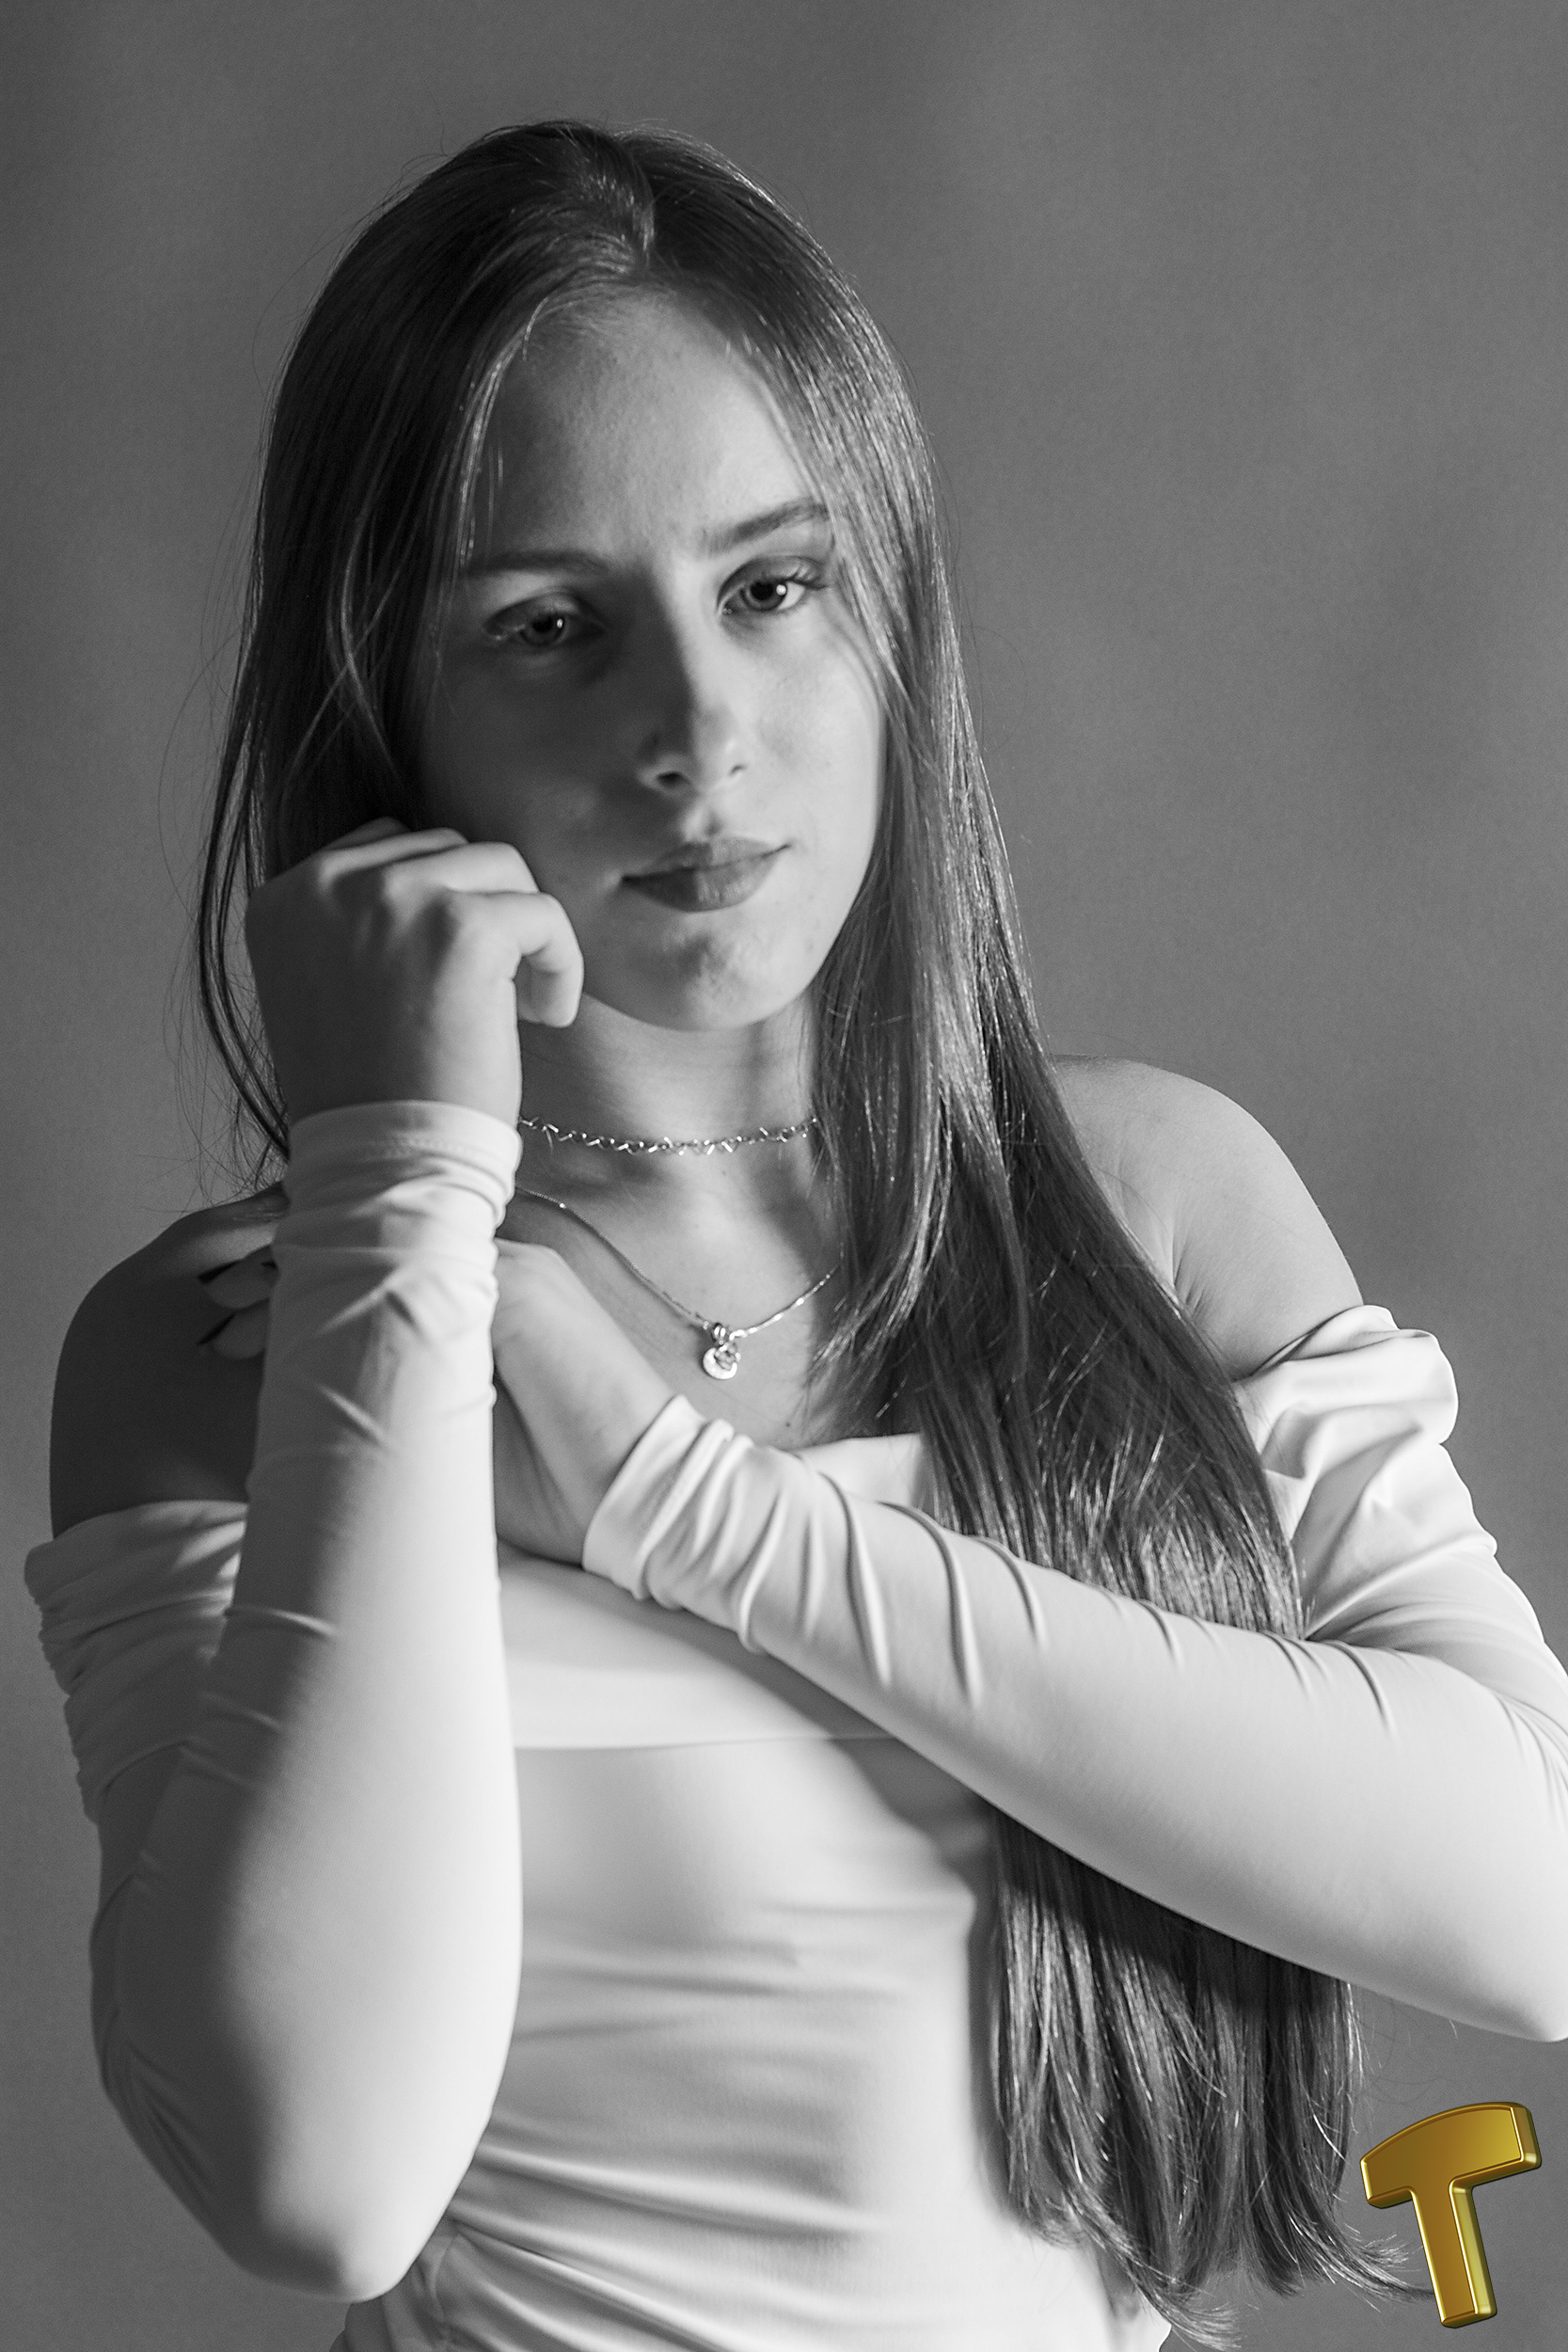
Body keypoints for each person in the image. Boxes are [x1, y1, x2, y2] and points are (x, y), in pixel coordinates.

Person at [24, 121, 1568, 2352]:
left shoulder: (1150, 1206)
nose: (698, 733)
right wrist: (401, 1200)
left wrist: (675, 1495)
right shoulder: (237, 1344)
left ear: (891, 614)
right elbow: (319, 2178)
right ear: (388, 707)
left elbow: (1531, 1895)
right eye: (550, 629)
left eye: (770, 587)